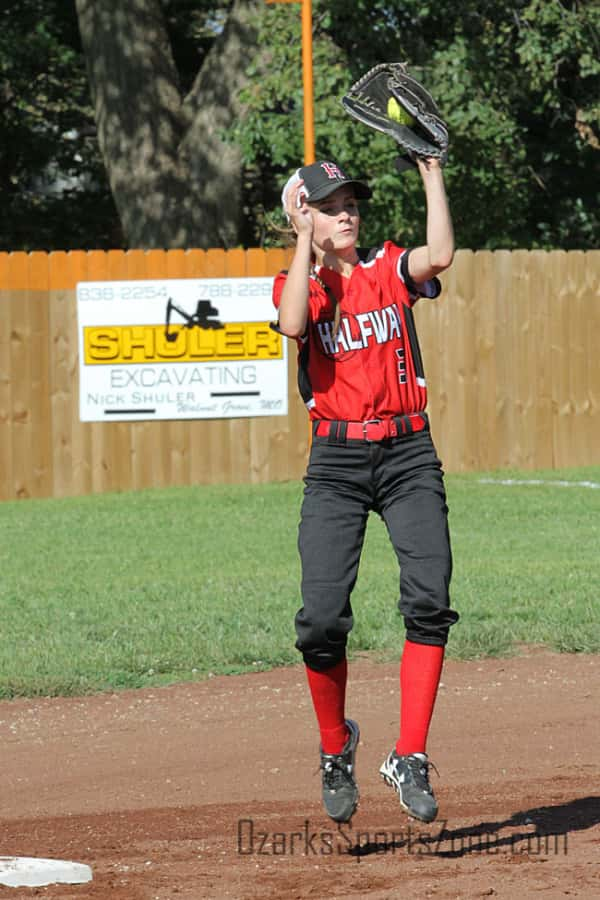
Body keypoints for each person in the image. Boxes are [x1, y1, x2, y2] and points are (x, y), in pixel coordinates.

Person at [272, 157, 459, 825]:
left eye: (350, 200)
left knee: (430, 598)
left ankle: (409, 755)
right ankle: (335, 746)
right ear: (304, 214)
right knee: (320, 620)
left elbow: (439, 254)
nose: (346, 210)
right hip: (338, 464)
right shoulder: (305, 281)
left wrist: (431, 171)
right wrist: (302, 242)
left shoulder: (386, 269)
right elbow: (294, 324)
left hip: (409, 453)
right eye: (329, 203)